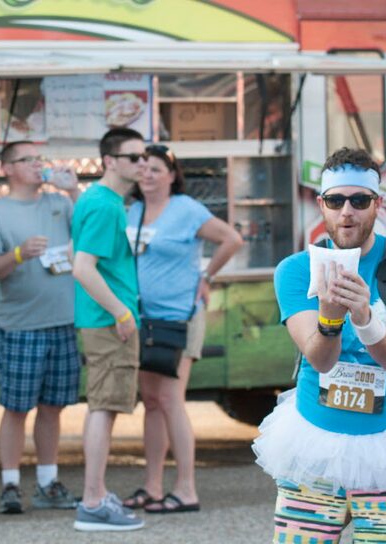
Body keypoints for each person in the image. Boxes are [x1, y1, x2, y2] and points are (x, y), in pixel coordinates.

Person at [253, 148, 386, 543]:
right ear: (321, 206)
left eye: (360, 200)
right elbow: (319, 359)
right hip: (315, 439)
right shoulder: (295, 270)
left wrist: (364, 317)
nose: (347, 211)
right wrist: (330, 317)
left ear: (377, 205)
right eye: (336, 200)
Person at [122, 144, 243, 514]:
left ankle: (186, 488)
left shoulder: (187, 209)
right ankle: (153, 486)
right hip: (145, 318)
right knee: (152, 402)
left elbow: (231, 239)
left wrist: (206, 276)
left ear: (172, 175)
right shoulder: (135, 210)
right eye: (143, 168)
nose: (147, 174)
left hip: (181, 317)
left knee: (172, 399)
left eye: (156, 169)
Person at [0, 141, 81, 514]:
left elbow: (96, 233)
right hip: (19, 326)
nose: (37, 165)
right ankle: (11, 485)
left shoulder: (60, 204)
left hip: (63, 322)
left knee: (53, 407)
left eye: (39, 159)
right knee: (17, 408)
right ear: (7, 169)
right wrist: (18, 255)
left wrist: (73, 189)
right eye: (27, 160)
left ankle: (48, 483)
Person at [71, 127, 145, 532]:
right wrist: (120, 312)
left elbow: (74, 255)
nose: (142, 163)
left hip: (100, 318)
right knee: (104, 406)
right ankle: (94, 500)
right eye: (133, 157)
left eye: (143, 156)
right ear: (110, 161)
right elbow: (83, 267)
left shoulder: (97, 200)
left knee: (105, 405)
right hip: (107, 321)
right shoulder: (106, 206)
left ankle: (95, 495)